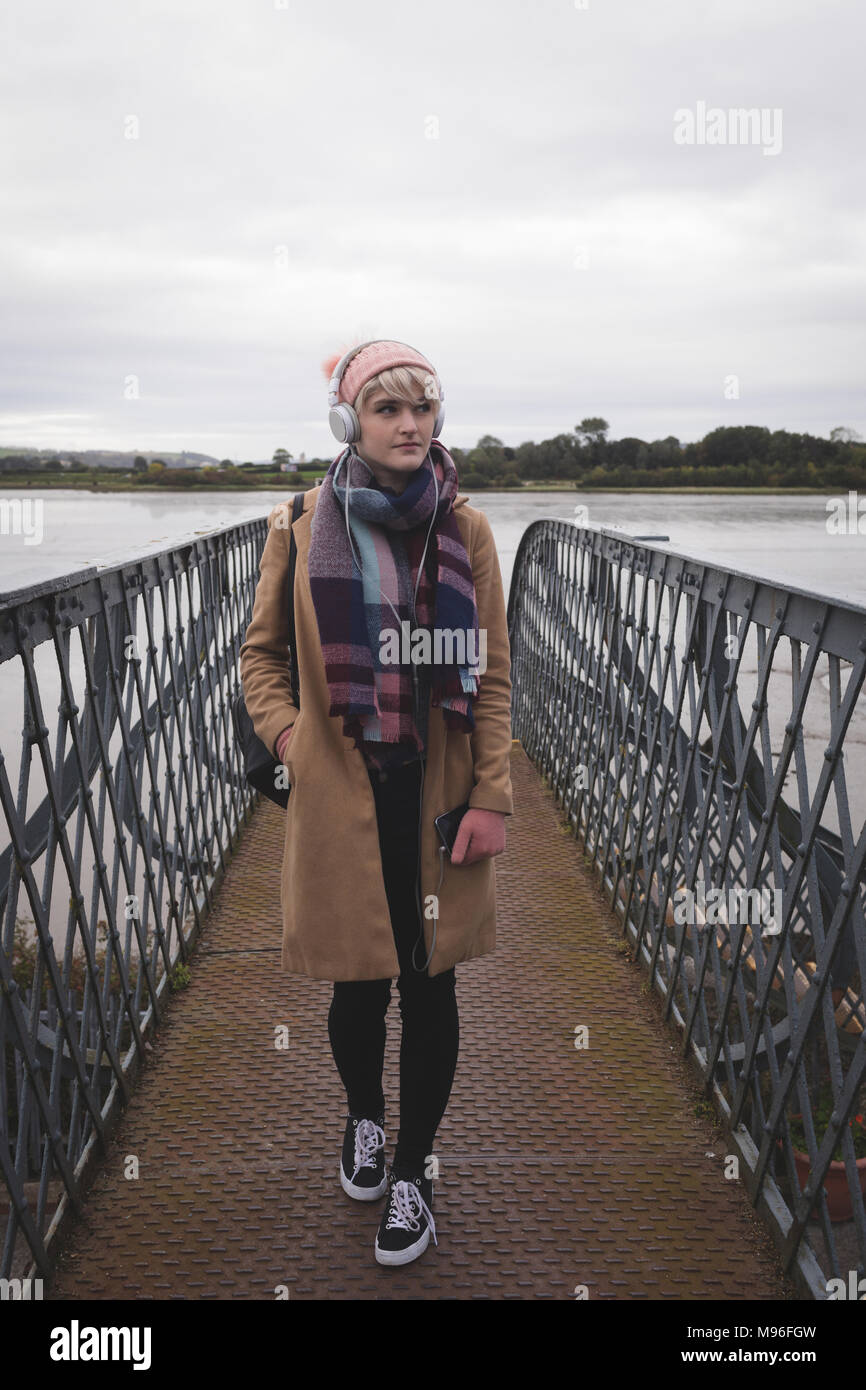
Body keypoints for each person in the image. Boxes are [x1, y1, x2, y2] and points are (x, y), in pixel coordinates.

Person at [239, 339, 513, 1266]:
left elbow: (496, 676)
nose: (407, 425)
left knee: (429, 982)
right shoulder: (297, 521)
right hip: (342, 791)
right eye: (387, 409)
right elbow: (261, 659)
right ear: (348, 421)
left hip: (434, 792)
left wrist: (493, 795)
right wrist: (289, 740)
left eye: (422, 409)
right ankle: (363, 1118)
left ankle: (411, 1175)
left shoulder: (466, 530)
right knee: (358, 985)